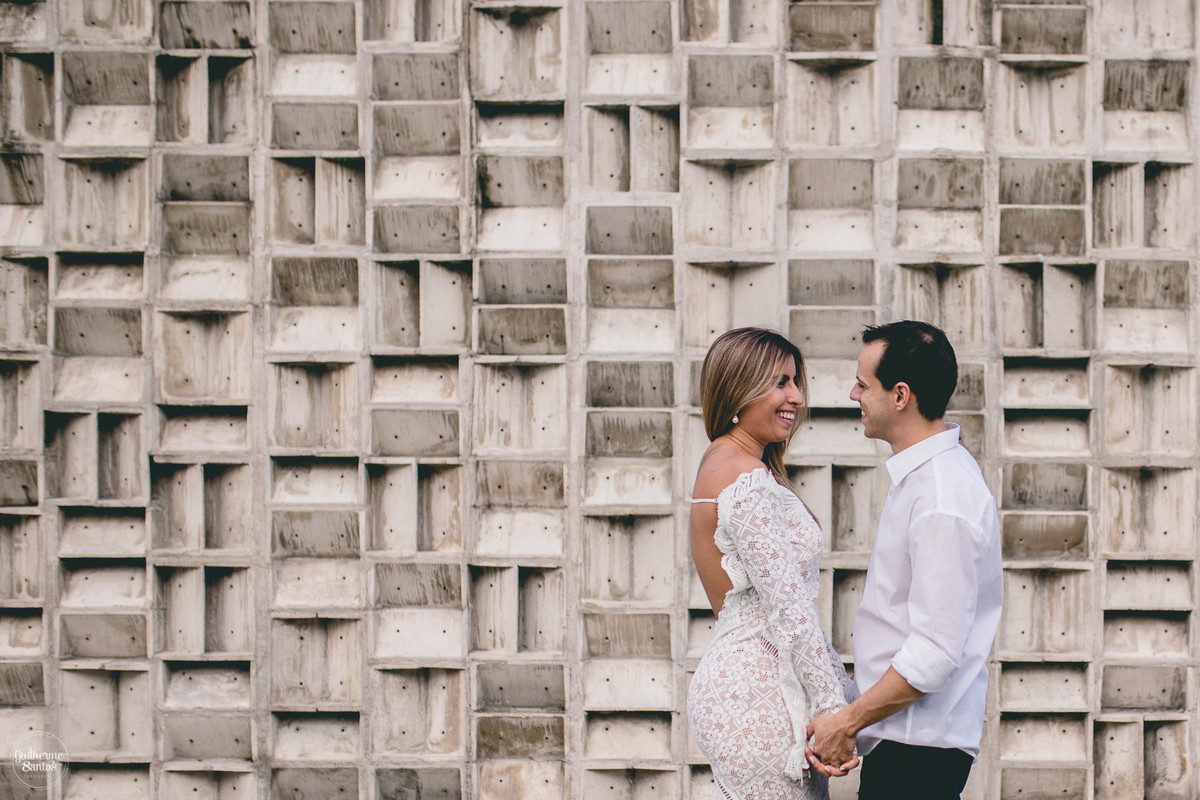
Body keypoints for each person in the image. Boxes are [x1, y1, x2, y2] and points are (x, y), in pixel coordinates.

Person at [805, 321, 1003, 800]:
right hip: (904, 746)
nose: (853, 393)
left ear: (900, 395)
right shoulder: (927, 481)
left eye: (862, 383)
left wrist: (846, 723)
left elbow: (935, 651)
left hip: (917, 751)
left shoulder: (940, 498)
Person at [687, 327, 857, 800]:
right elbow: (789, 607)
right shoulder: (746, 477)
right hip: (757, 698)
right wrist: (831, 711)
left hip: (744, 685)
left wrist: (846, 695)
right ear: (740, 386)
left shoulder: (719, 460)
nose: (797, 397)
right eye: (781, 382)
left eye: (796, 382)